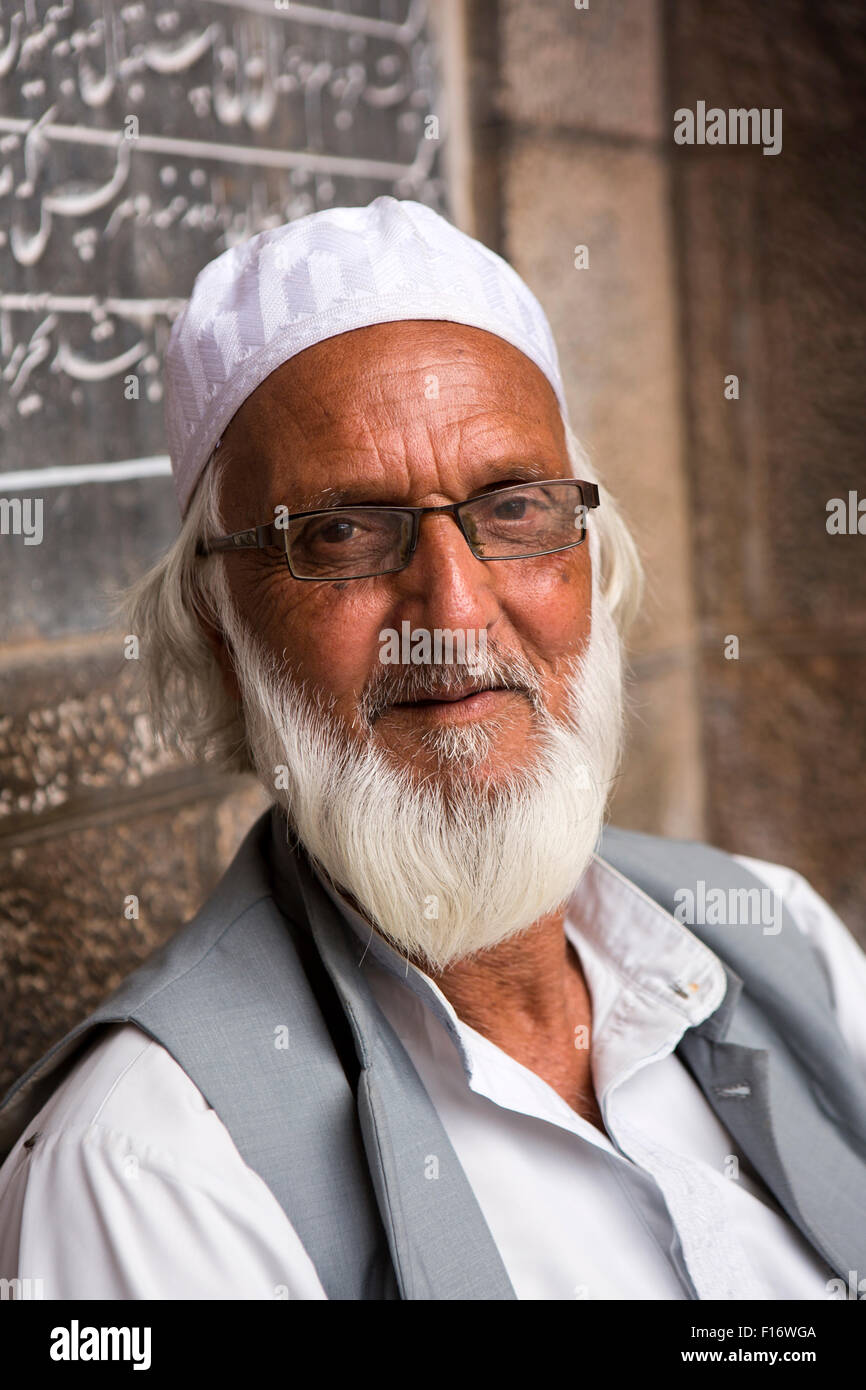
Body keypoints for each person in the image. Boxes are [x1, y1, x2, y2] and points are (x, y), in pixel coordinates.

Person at [1, 196, 864, 1301]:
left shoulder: (782, 938)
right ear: (222, 636)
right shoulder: (149, 1172)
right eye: (343, 534)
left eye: (511, 509)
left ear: (588, 567)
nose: (450, 614)